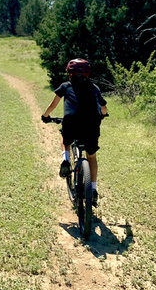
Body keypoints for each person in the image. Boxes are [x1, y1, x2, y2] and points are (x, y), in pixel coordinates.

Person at [41, 58, 108, 206]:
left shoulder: (66, 86)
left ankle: (65, 159)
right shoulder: (94, 87)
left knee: (65, 139)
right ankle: (94, 189)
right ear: (87, 73)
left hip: (71, 122)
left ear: (69, 73)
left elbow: (54, 104)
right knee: (92, 156)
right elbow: (103, 106)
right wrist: (103, 114)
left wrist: (45, 116)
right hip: (92, 125)